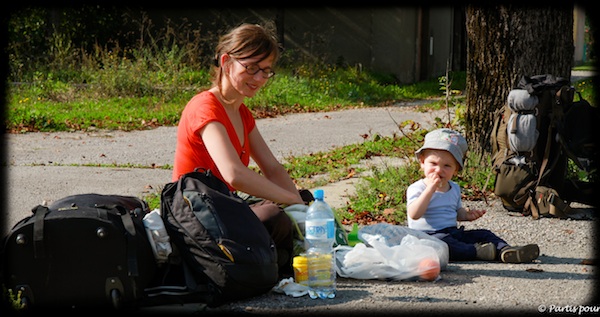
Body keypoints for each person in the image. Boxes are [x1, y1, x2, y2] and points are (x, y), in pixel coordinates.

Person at [171, 22, 311, 278]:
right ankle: (275, 259)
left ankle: (278, 256)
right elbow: (233, 173)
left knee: (305, 200)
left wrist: (302, 206)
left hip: (224, 209)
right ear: (226, 62)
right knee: (273, 216)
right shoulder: (205, 107)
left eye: (266, 71)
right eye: (251, 68)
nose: (259, 78)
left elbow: (272, 168)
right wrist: (290, 202)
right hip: (196, 217)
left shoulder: (241, 112)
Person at [406, 128, 540, 263]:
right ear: (422, 162)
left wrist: (465, 215)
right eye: (433, 164)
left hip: (452, 232)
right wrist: (430, 189)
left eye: (447, 166)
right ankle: (477, 251)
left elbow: (454, 213)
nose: (439, 170)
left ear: (455, 169)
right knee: (447, 247)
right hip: (427, 237)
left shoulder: (454, 188)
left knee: (483, 234)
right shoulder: (417, 188)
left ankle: (505, 250)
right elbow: (414, 214)